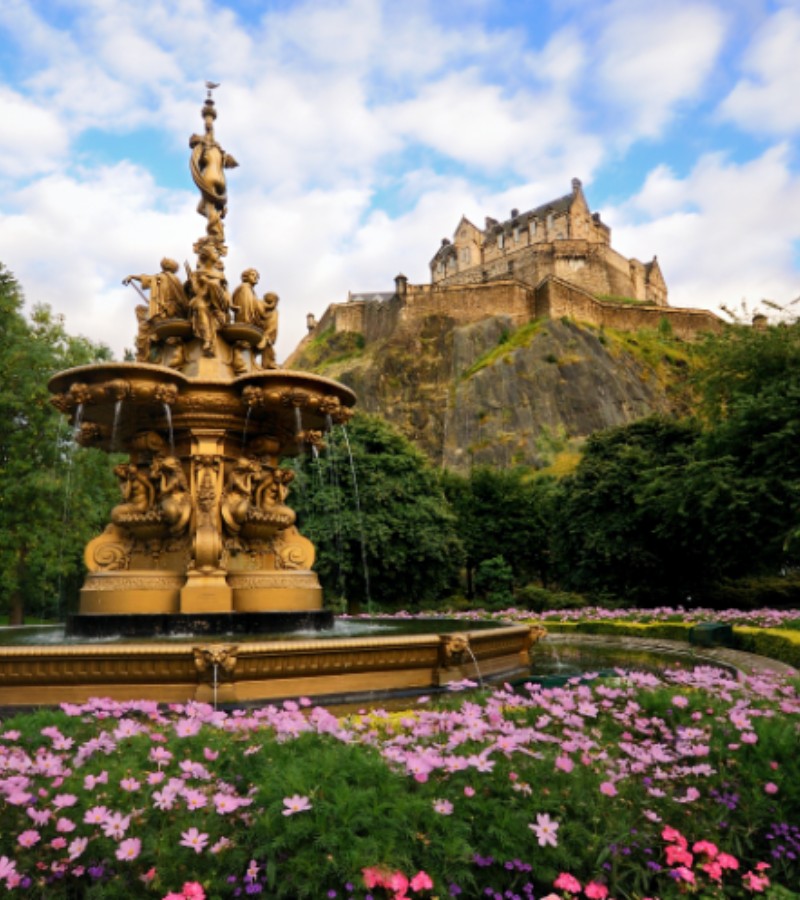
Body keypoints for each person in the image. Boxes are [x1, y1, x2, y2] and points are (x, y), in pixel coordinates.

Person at [123, 258, 188, 320]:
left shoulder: (159, 277)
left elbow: (146, 278)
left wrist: (132, 276)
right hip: (177, 310)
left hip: (162, 311)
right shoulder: (177, 280)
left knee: (139, 309)